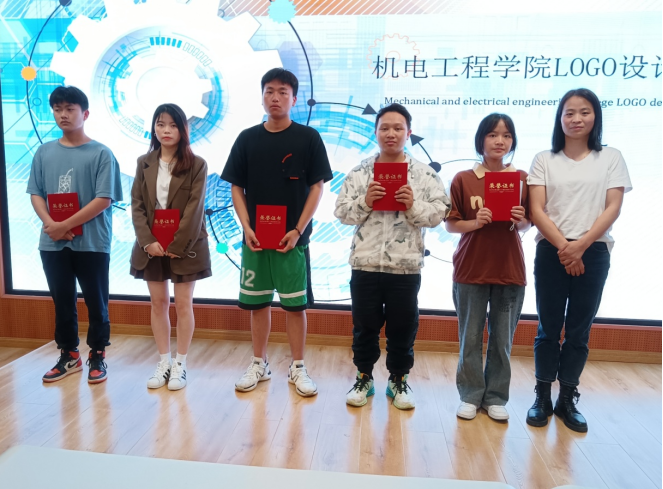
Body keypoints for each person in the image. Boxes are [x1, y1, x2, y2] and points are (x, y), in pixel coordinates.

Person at [221, 68, 333, 397]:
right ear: (262, 97)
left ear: (294, 99)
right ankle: (259, 363)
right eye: (269, 91)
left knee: (295, 307)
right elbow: (236, 187)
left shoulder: (308, 138)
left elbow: (317, 187)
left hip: (293, 241)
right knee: (258, 305)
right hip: (255, 240)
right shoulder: (247, 138)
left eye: (283, 92)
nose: (275, 97)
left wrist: (298, 229)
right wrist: (246, 227)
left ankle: (298, 367)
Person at [526, 88, 632, 433]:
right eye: (569, 113)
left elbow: (613, 207)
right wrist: (565, 247)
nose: (576, 119)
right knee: (548, 327)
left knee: (578, 330)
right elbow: (536, 210)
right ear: (559, 118)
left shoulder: (611, 157)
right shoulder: (544, 159)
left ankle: (567, 398)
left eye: (584, 112)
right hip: (552, 250)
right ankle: (542, 396)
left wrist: (581, 245)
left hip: (594, 251)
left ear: (595, 117)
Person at [335, 103, 450, 410]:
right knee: (364, 326)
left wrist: (413, 205)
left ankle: (398, 380)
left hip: (405, 266)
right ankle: (364, 377)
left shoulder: (424, 174)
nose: (391, 133)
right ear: (375, 132)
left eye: (398, 128)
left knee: (403, 327)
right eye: (384, 128)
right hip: (365, 264)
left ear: (408, 133)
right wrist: (365, 201)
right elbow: (341, 212)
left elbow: (439, 214)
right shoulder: (360, 172)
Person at [28, 86, 123, 385]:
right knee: (62, 301)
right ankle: (69, 354)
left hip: (92, 242)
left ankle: (97, 354)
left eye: (70, 109)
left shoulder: (101, 153)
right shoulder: (44, 152)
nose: (63, 115)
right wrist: (51, 224)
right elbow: (35, 193)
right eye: (57, 109)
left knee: (96, 301)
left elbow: (104, 199)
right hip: (52, 242)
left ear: (85, 113)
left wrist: (64, 224)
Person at [445, 114, 531, 422]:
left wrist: (520, 219)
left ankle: (495, 397)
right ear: (481, 139)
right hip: (471, 267)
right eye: (493, 134)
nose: (500, 141)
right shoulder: (463, 178)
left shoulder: (522, 179)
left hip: (509, 268)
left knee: (502, 340)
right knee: (470, 337)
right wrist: (475, 222)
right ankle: (470, 395)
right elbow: (451, 224)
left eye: (506, 135)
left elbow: (528, 223)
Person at [130, 104, 211, 391]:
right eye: (160, 124)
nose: (166, 130)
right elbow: (137, 205)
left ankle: (180, 364)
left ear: (183, 130)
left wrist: (178, 244)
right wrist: (147, 242)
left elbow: (195, 209)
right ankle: (163, 361)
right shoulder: (143, 162)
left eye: (173, 125)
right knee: (158, 303)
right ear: (154, 128)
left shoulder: (197, 164)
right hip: (152, 244)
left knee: (183, 304)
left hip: (185, 245)